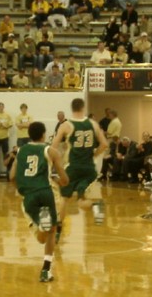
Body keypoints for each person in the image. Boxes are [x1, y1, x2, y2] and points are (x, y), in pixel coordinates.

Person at [10, 121, 69, 282]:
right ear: (43, 134)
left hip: (29, 195)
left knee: (43, 235)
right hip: (45, 192)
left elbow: (12, 177)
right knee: (49, 234)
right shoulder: (50, 151)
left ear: (29, 135)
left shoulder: (20, 151)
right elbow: (64, 180)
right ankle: (45, 270)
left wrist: (22, 188)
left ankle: (44, 225)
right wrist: (59, 180)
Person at [51, 98, 109, 242]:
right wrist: (93, 154)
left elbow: (53, 146)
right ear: (83, 108)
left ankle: (58, 230)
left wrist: (56, 160)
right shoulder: (93, 124)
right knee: (82, 200)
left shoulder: (66, 125)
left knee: (64, 198)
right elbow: (104, 144)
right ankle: (95, 205)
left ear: (72, 108)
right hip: (89, 168)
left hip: (73, 167)